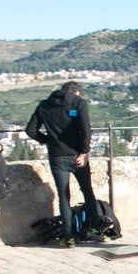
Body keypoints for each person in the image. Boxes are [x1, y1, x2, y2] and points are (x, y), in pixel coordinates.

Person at [26, 81, 96, 247]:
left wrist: (48, 140)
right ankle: (95, 228)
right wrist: (84, 152)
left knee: (64, 196)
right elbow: (86, 129)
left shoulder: (44, 105)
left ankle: (68, 235)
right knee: (87, 190)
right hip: (78, 155)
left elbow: (30, 130)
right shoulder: (78, 103)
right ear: (76, 92)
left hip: (57, 156)